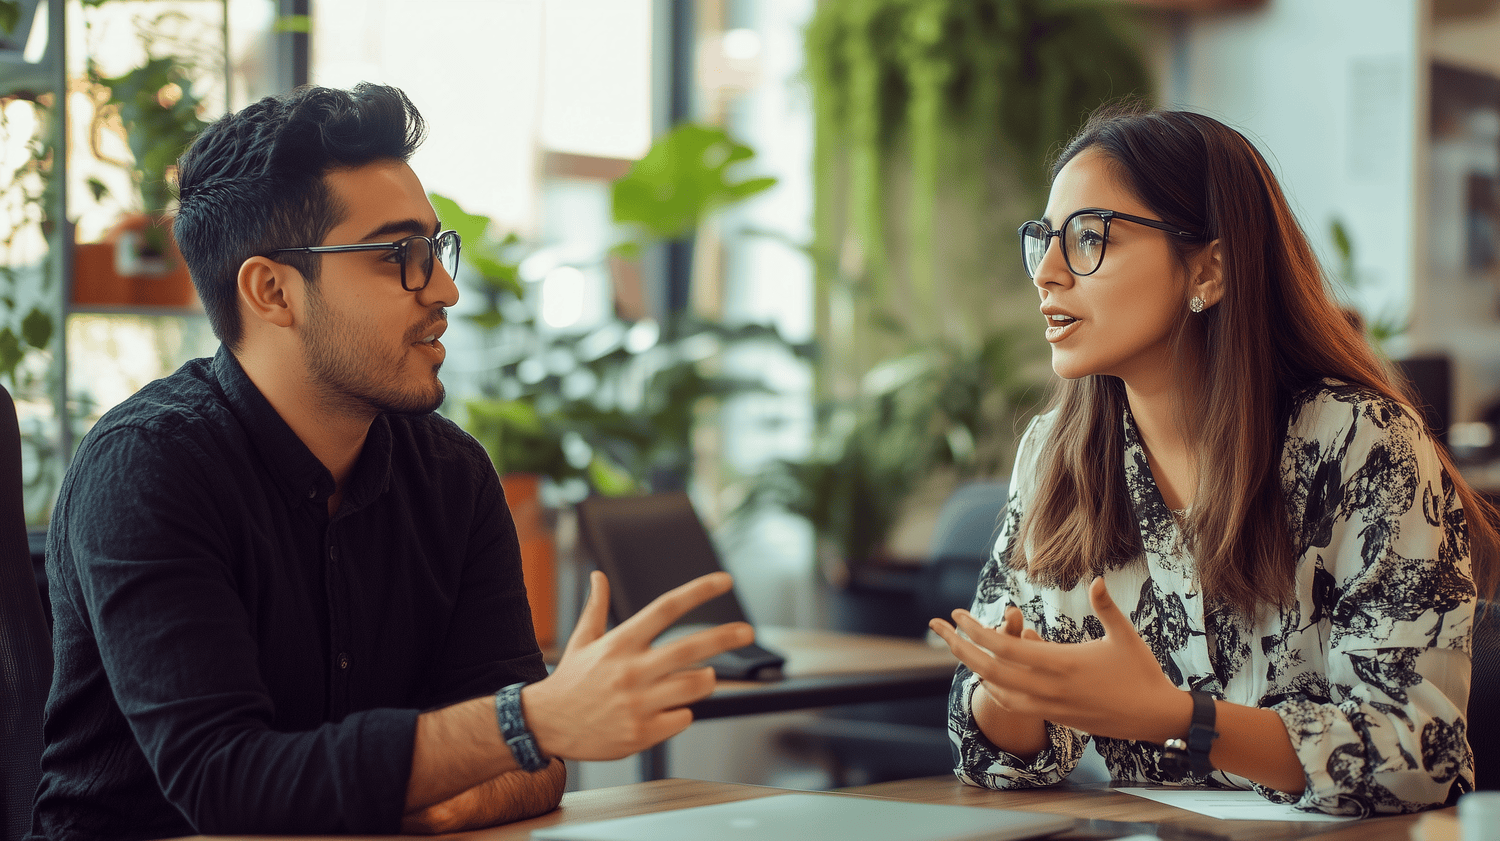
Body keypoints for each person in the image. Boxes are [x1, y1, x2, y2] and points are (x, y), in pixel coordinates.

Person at [30, 83, 753, 840]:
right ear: (272, 290)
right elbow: (224, 780)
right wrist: (528, 719)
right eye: (397, 256)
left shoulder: (451, 475)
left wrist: (469, 779)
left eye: (435, 249)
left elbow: (531, 766)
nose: (443, 287)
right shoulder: (149, 468)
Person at [928, 105, 1498, 817]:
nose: (1045, 272)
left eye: (1088, 239)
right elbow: (997, 758)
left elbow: (1421, 754)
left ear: (1209, 266)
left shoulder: (1363, 443)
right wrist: (1014, 694)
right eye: (1044, 240)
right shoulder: (1055, 455)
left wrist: (1179, 717)